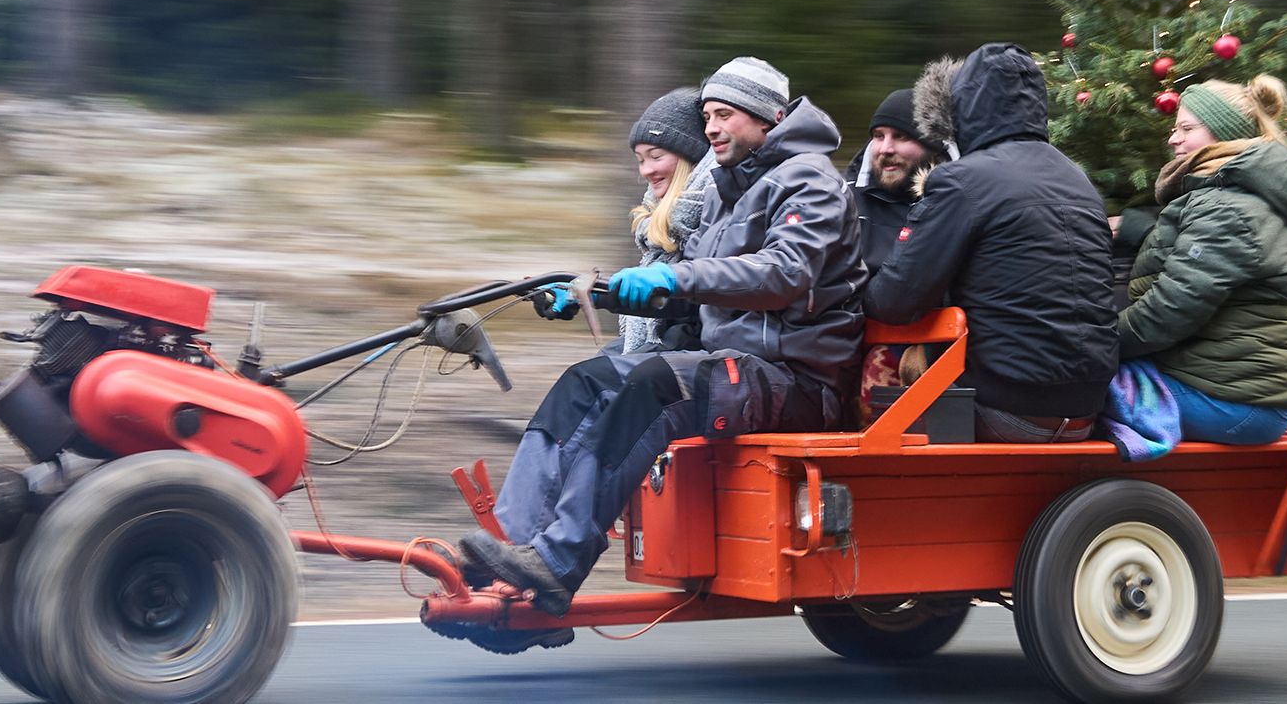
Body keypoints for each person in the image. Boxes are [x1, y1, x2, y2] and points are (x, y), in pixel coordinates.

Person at [444, 56, 868, 653]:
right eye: (707, 116)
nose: (712, 127)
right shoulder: (729, 187)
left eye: (724, 115)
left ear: (767, 115)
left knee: (654, 384)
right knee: (586, 379)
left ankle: (556, 565)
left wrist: (676, 279)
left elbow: (785, 274)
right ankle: (513, 548)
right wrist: (601, 295)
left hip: (796, 379)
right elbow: (695, 306)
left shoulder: (811, 181)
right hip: (735, 369)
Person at [862, 43, 1118, 443]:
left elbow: (895, 301)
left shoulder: (964, 180)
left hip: (1007, 409)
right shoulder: (1076, 177)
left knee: (871, 395)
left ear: (961, 108)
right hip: (1086, 412)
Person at [1109, 76, 1287, 454]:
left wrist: (1093, 343)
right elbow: (1194, 248)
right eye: (1174, 128)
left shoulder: (1227, 206)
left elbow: (1172, 309)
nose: (1173, 138)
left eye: (1186, 128)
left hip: (1236, 402)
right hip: (1235, 389)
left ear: (1223, 135)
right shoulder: (1229, 197)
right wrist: (1132, 225)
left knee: (1072, 385)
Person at [619, 86, 715, 352]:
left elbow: (694, 303)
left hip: (691, 346)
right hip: (666, 338)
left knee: (589, 379)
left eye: (656, 156)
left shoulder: (710, 215)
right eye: (640, 159)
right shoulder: (658, 222)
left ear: (690, 156)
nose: (646, 170)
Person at [846, 88, 955, 273]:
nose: (886, 149)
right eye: (879, 136)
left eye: (901, 136)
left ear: (932, 145)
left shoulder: (960, 201)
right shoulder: (844, 199)